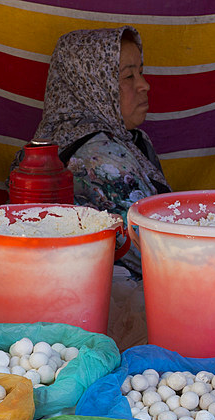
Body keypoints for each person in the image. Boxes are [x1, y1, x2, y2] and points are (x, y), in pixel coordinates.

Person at [22, 25, 171, 277]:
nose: (144, 85)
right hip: (102, 303)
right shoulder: (97, 158)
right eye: (128, 77)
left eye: (141, 73)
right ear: (92, 86)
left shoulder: (129, 139)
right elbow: (162, 256)